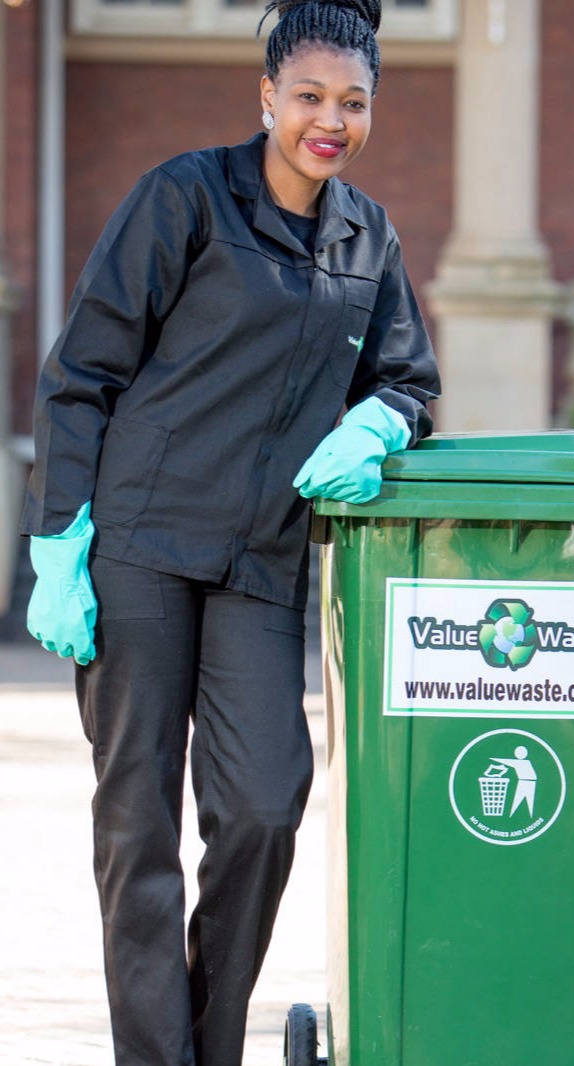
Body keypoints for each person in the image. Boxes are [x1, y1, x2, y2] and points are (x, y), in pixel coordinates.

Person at [19, 1, 440, 1063]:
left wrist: (380, 423)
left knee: (263, 806)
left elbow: (407, 377)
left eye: (353, 103)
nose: (330, 121)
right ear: (266, 96)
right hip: (141, 549)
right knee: (137, 824)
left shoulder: (368, 235)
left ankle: (208, 1043)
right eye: (309, 97)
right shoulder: (185, 198)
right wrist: (59, 542)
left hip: (261, 560)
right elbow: (82, 373)